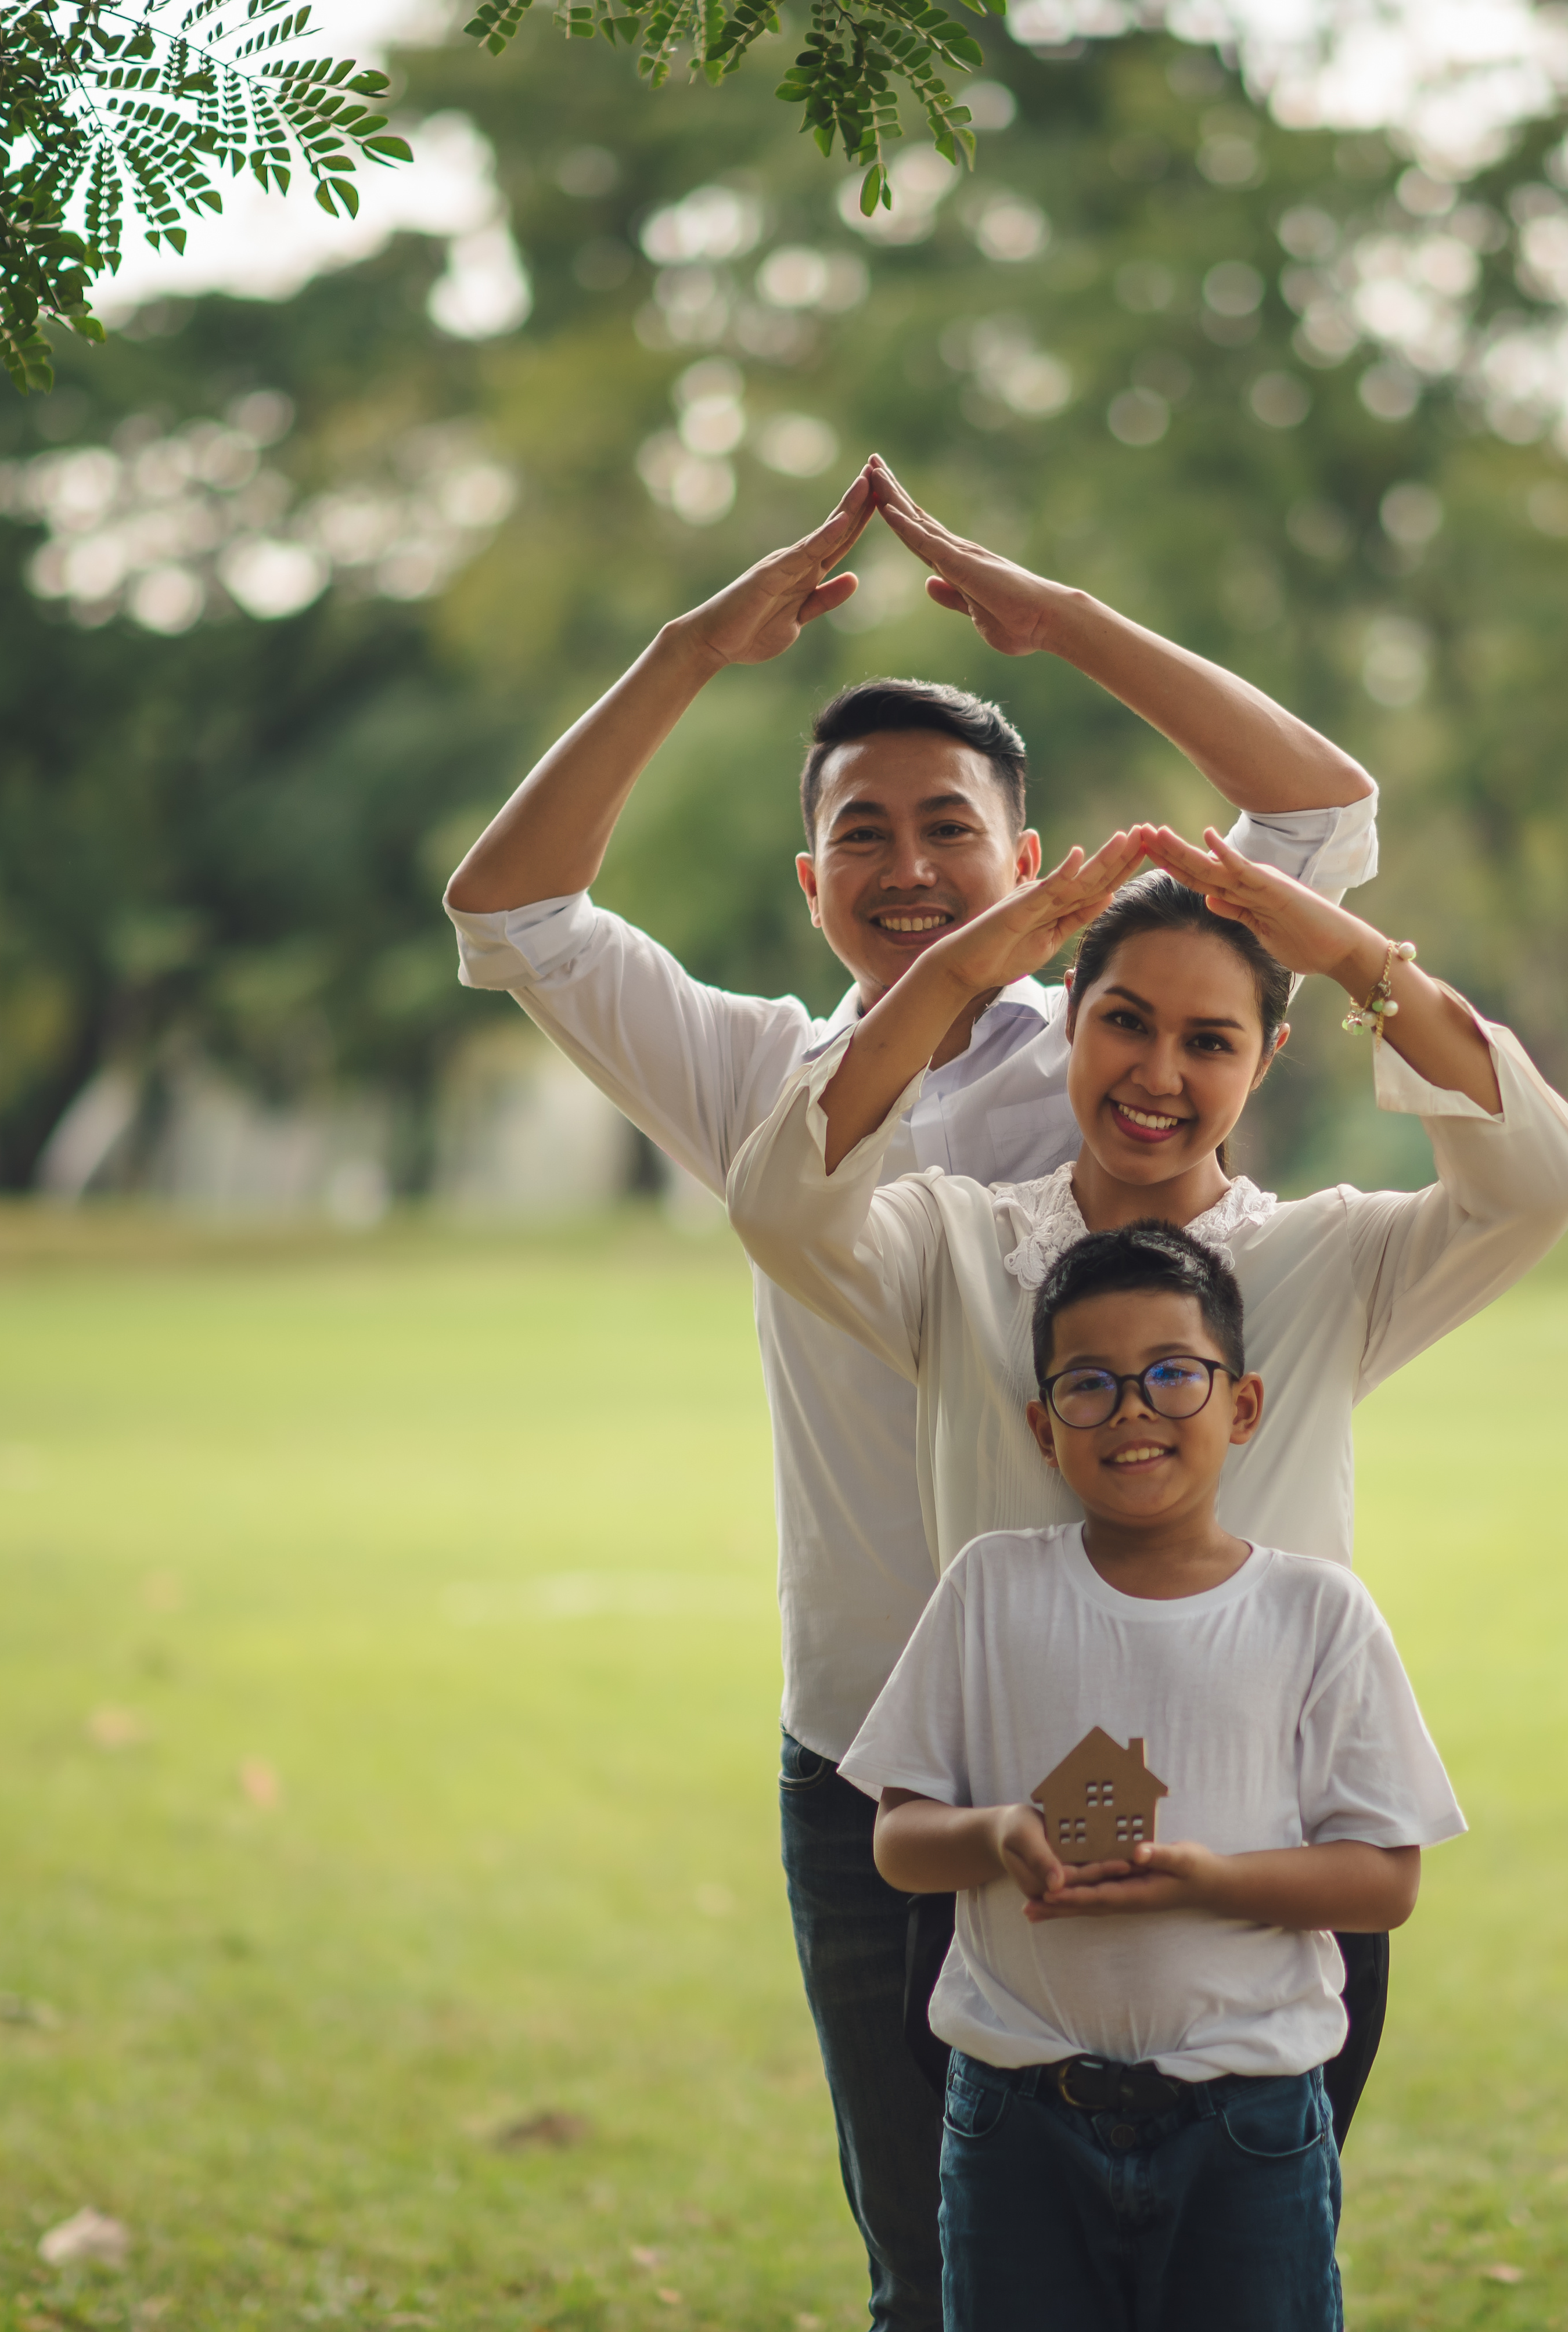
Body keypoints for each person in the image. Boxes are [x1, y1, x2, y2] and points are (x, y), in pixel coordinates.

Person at [442, 458, 1382, 2332]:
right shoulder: (755, 1081)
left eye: (946, 827)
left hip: (1197, 1735)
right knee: (936, 2278)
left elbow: (1314, 807)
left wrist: (1066, 620)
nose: (904, 867)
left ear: (1023, 864)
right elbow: (512, 905)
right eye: (858, 834)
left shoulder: (1117, 1042)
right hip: (883, 1755)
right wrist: (691, 647)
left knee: (1220, 2250)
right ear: (810, 886)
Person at [723, 826, 1568, 2157]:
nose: (1156, 1074)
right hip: (1012, 1933)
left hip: (1268, 1932)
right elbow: (781, 1199)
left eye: (1210, 1040)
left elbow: (1537, 1174)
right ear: (1066, 1017)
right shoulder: (952, 1243)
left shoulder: (1321, 1261)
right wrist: (959, 969)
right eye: (1122, 1021)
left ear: (1265, 1058)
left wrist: (1352, 955)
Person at [837, 1220, 1462, 2332]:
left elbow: (1385, 1881)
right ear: (1043, 1427)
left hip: (1248, 2121)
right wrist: (995, 1836)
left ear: (1244, 1406)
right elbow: (897, 1841)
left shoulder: (1315, 1614)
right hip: (1016, 2116)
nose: (1133, 1408)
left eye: (1175, 1375)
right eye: (1091, 1384)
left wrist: (1206, 1881)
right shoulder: (991, 1591)